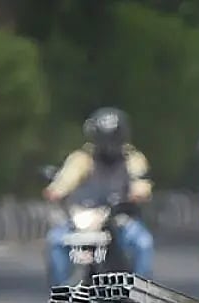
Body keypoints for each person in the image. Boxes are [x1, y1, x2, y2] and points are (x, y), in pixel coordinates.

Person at [43, 107, 154, 286]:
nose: (109, 144)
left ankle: (140, 294)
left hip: (120, 219)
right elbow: (65, 181)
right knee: (55, 241)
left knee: (143, 243)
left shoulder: (132, 158)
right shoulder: (81, 159)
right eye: (104, 139)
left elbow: (141, 183)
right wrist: (56, 191)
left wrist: (137, 193)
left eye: (113, 138)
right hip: (84, 218)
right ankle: (61, 291)